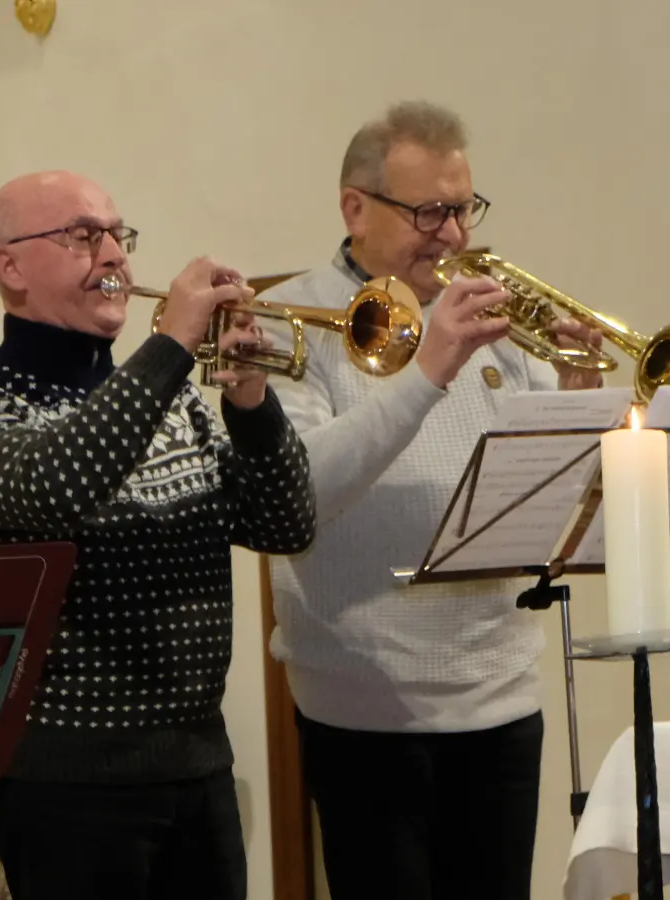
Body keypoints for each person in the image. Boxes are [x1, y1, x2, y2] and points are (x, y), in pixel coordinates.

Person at [261, 100, 603, 899]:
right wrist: (430, 369)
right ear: (355, 207)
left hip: (501, 695)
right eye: (428, 212)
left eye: (462, 209)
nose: (452, 234)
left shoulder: (493, 321)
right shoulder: (291, 320)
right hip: (363, 705)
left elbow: (556, 490)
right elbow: (299, 492)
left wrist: (581, 394)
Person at [0, 170, 316, 898]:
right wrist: (171, 342)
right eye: (82, 236)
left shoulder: (174, 406)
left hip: (198, 767)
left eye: (116, 235)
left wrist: (252, 402)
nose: (113, 256)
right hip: (67, 785)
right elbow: (57, 487)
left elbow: (287, 524)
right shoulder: (0, 407)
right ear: (9, 268)